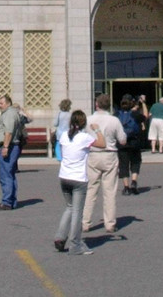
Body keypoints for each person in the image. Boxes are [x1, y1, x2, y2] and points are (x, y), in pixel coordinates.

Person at [54, 110, 104, 255]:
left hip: (64, 176)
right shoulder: (84, 137)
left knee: (69, 207)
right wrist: (97, 130)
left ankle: (60, 237)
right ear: (83, 123)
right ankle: (75, 244)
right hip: (78, 178)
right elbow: (102, 143)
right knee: (77, 212)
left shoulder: (64, 135)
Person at [81, 93, 127, 234]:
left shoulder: (88, 120)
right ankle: (110, 223)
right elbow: (123, 140)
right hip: (109, 154)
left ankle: (85, 223)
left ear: (97, 105)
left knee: (91, 190)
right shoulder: (114, 120)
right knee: (109, 191)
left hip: (93, 155)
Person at [0, 95, 22, 210]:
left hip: (9, 147)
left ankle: (7, 202)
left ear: (8, 103)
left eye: (2, 103)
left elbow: (8, 132)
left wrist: (5, 147)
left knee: (5, 175)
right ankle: (11, 201)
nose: (0, 105)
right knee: (10, 174)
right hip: (11, 146)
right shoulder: (10, 113)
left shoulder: (9, 114)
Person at [117, 94, 147, 195]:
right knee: (135, 162)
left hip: (122, 142)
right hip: (134, 142)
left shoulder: (117, 114)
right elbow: (145, 117)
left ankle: (126, 187)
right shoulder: (135, 114)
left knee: (123, 164)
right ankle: (134, 182)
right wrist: (143, 104)